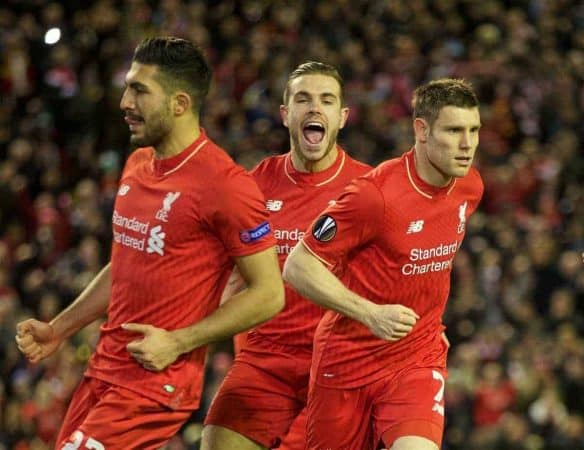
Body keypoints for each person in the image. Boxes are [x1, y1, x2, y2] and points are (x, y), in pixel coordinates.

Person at [15, 36, 284, 450]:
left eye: (140, 90)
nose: (124, 101)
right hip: (104, 373)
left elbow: (269, 294)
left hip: (155, 384)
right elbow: (125, 266)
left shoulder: (226, 186)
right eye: (127, 87)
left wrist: (179, 341)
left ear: (179, 104)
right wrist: (59, 328)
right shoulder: (139, 163)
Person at [122, 61, 371, 449]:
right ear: (286, 114)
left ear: (342, 117)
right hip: (262, 362)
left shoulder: (368, 189)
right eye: (303, 99)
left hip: (337, 365)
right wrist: (175, 334)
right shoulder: (252, 186)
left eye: (326, 100)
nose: (314, 109)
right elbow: (204, 271)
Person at [283, 78, 484, 450]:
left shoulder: (470, 186)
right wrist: (370, 313)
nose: (467, 144)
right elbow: (298, 266)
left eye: (474, 130)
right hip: (347, 362)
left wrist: (429, 320)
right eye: (455, 130)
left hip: (416, 360)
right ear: (421, 130)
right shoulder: (373, 195)